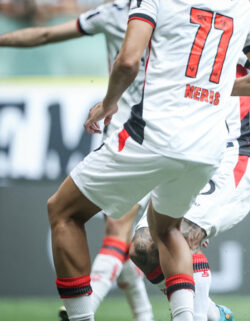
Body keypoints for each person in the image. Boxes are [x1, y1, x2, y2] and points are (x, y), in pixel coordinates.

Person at [46, 0, 250, 319]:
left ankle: (83, 316)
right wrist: (215, 88)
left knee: (63, 211)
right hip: (206, 148)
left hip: (159, 134)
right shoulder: (241, 9)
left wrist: (108, 103)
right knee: (156, 239)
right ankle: (202, 314)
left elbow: (127, 61)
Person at [0, 1, 155, 320]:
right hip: (173, 132)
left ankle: (86, 311)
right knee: (131, 232)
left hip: (133, 133)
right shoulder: (166, 10)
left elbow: (46, 34)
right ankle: (145, 314)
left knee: (79, 215)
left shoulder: (120, 12)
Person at [129, 53, 250, 321]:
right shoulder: (169, 39)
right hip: (187, 157)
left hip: (233, 155)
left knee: (181, 235)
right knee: (143, 248)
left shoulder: (229, 24)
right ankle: (212, 314)